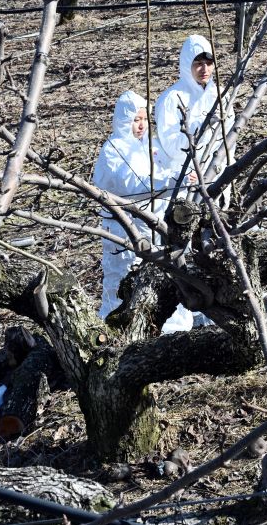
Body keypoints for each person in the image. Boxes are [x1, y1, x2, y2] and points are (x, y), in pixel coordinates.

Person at [92, 89, 164, 319]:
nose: (141, 125)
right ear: (125, 120)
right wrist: (167, 181)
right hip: (123, 229)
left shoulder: (146, 146)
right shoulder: (114, 149)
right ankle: (117, 320)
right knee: (123, 277)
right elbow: (130, 184)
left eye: (144, 119)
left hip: (152, 225)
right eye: (136, 120)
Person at [155, 33, 233, 199]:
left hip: (216, 176)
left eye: (209, 63)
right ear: (186, 64)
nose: (204, 69)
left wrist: (222, 168)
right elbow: (171, 146)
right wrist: (201, 127)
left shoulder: (219, 95)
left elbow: (229, 138)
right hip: (185, 182)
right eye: (198, 64)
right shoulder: (173, 99)